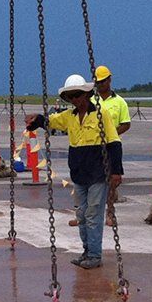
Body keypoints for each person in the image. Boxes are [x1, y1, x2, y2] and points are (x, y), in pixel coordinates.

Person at [26, 74, 123, 269]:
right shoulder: (69, 117)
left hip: (97, 173)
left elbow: (114, 143)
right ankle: (87, 250)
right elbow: (51, 121)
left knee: (94, 214)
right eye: (71, 97)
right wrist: (36, 120)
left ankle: (95, 255)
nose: (75, 100)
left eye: (78, 95)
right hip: (79, 173)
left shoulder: (100, 114)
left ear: (86, 94)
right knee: (81, 214)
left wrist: (116, 171)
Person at [92, 65, 131, 227]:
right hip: (93, 145)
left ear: (109, 80)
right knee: (93, 180)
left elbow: (126, 123)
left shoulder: (119, 102)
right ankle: (90, 213)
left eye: (103, 81)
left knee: (112, 180)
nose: (101, 85)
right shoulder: (91, 100)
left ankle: (110, 212)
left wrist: (111, 133)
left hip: (112, 146)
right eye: (98, 82)